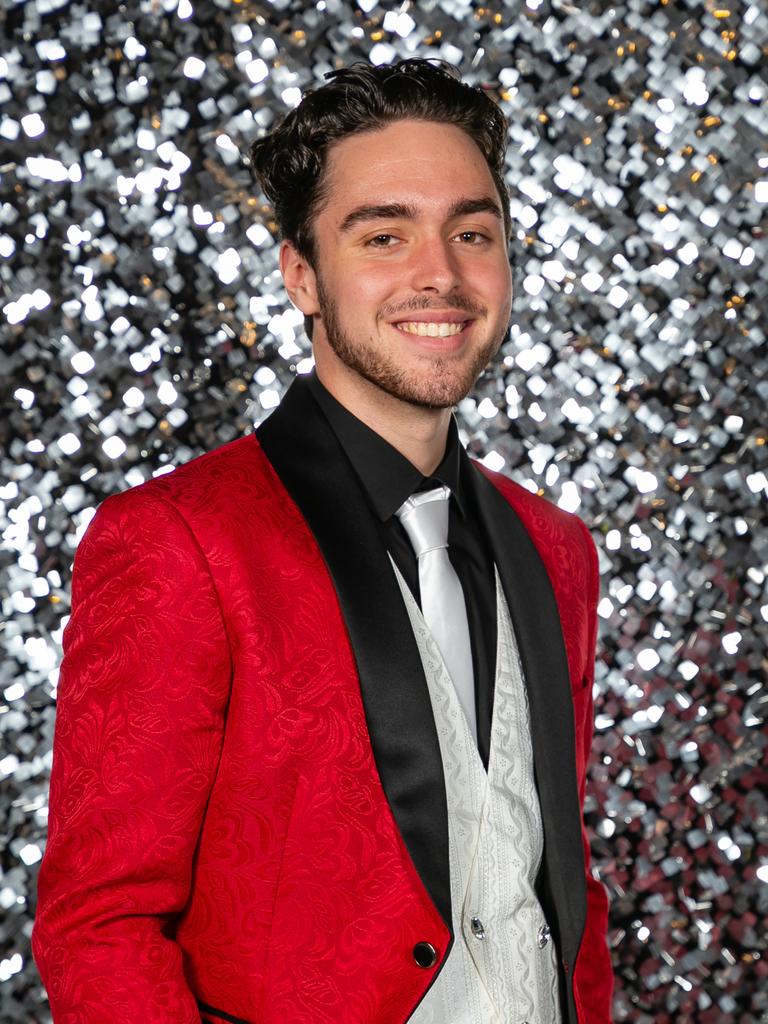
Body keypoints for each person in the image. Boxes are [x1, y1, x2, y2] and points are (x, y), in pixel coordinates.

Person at [33, 58, 613, 1024]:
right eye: (384, 235)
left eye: (473, 232)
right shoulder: (177, 540)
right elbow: (98, 930)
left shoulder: (556, 548)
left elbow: (555, 880)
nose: (442, 273)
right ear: (301, 274)